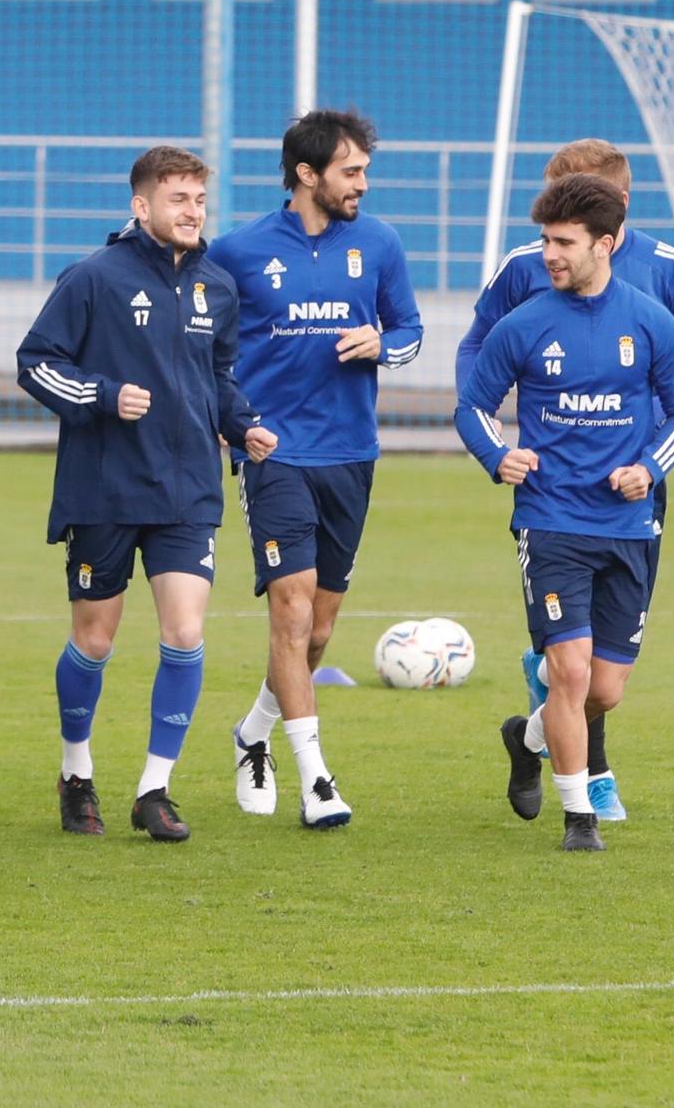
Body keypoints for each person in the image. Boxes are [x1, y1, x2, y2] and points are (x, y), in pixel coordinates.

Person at [455, 139, 674, 822]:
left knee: (603, 677)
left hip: (637, 491)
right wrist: (497, 449)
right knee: (573, 663)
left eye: (568, 224)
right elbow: (475, 354)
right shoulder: (526, 270)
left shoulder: (663, 273)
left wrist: (650, 444)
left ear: (613, 215)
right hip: (553, 500)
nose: (551, 243)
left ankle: (536, 725)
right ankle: (591, 786)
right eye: (549, 217)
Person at [16, 145, 276, 842]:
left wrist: (243, 424)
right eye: (177, 199)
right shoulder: (94, 277)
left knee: (186, 632)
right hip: (104, 489)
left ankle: (154, 788)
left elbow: (217, 376)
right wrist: (102, 395)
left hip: (188, 488)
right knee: (94, 641)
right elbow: (35, 364)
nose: (191, 211)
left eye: (198, 199)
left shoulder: (217, 286)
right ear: (141, 205)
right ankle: (76, 773)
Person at [210, 110, 421, 828]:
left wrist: (382, 344)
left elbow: (411, 329)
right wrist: (230, 420)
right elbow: (202, 344)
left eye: (364, 169)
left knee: (318, 631)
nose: (363, 182)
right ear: (307, 174)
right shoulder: (238, 251)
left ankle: (253, 731)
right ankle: (317, 780)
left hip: (351, 453)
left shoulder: (380, 242)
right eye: (351, 171)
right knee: (291, 611)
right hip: (274, 452)